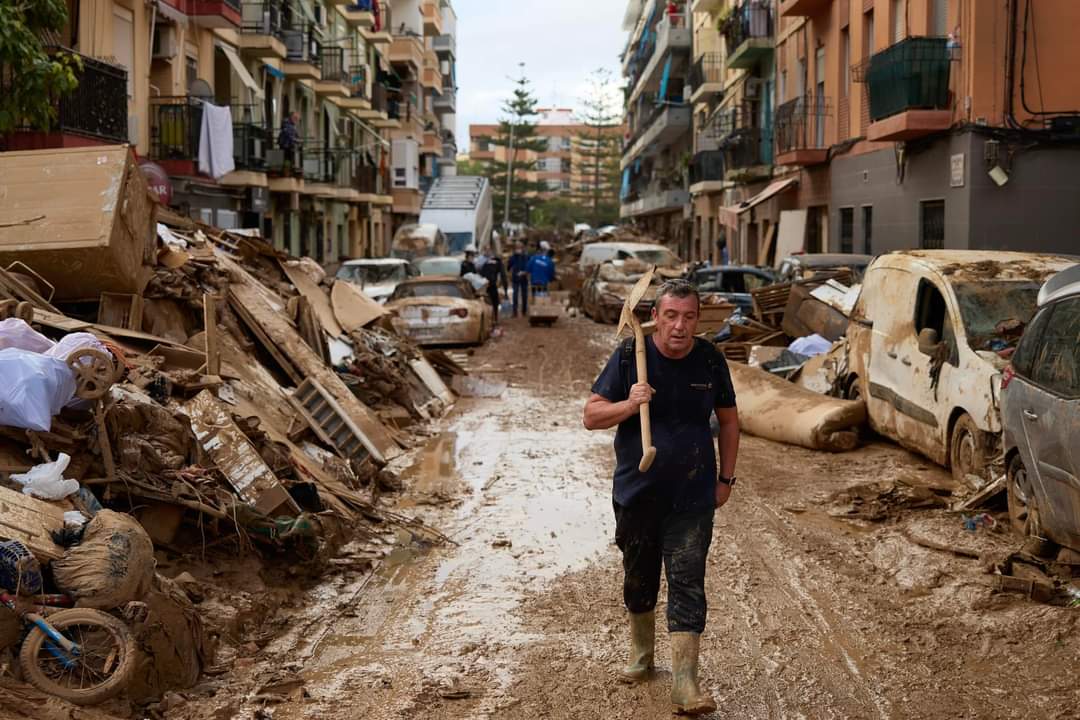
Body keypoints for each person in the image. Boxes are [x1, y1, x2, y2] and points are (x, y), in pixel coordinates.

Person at [582, 280, 739, 716]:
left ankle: (686, 682)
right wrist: (629, 405)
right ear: (656, 316)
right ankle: (641, 654)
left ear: (698, 319)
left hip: (693, 493)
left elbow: (728, 422)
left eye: (689, 317)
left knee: (688, 581)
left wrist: (726, 479)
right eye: (671, 316)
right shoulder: (631, 357)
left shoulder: (709, 359)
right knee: (640, 577)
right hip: (638, 492)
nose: (680, 326)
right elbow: (591, 416)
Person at [479, 249, 508, 323]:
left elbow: (481, 273)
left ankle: (487, 320)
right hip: (492, 284)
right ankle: (495, 319)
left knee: (485, 302)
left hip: (484, 284)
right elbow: (503, 276)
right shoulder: (498, 262)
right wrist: (505, 291)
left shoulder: (487, 262)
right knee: (495, 302)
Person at [507, 242, 531, 317]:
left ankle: (524, 311)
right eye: (517, 248)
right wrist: (510, 273)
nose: (518, 250)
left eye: (520, 248)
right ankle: (514, 312)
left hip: (524, 278)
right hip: (516, 278)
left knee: (524, 295)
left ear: (522, 248)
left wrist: (525, 272)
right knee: (515, 295)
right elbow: (508, 267)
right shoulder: (513, 257)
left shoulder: (526, 257)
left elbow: (529, 267)